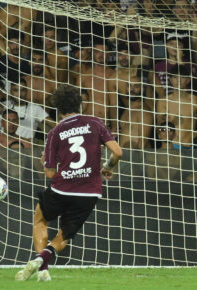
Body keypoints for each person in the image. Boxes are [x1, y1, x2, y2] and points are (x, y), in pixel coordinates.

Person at [15, 84, 122, 282]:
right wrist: (108, 167)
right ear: (80, 104)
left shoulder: (55, 132)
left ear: (57, 108)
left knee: (40, 218)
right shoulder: (95, 123)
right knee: (65, 234)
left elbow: (49, 173)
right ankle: (43, 262)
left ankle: (42, 266)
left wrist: (43, 161)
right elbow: (117, 152)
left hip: (62, 188)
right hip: (89, 192)